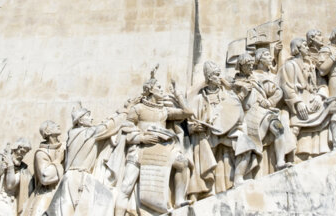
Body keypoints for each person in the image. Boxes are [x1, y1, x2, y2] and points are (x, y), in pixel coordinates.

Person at [115, 67, 192, 215]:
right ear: (150, 90)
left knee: (182, 163)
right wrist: (141, 138)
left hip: (161, 148)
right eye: (158, 88)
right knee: (126, 186)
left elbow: (188, 112)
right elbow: (126, 128)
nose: (162, 90)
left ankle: (179, 200)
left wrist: (178, 94)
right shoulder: (138, 109)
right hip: (140, 150)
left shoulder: (164, 111)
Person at [48, 104, 128, 216]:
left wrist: (117, 113)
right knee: (104, 199)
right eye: (88, 116)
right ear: (80, 120)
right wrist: (125, 112)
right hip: (77, 177)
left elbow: (104, 125)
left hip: (77, 177)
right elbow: (108, 127)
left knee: (105, 198)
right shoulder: (87, 133)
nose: (92, 118)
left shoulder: (74, 132)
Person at [279, 38, 336, 161]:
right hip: (299, 104)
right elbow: (286, 86)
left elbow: (322, 85)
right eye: (304, 45)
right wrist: (298, 102)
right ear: (297, 48)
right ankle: (288, 160)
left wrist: (320, 96)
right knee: (294, 128)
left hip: (313, 102)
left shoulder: (311, 66)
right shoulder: (289, 65)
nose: (307, 47)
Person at [232, 52, 294, 183]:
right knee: (248, 146)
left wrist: (270, 102)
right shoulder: (235, 83)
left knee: (279, 128)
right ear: (241, 66)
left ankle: (280, 161)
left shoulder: (256, 79)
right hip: (248, 116)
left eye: (251, 64)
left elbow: (278, 91)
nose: (250, 68)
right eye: (247, 65)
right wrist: (242, 93)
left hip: (263, 112)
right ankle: (239, 177)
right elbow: (231, 103)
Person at [187, 61, 244, 201]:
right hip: (206, 135)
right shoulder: (199, 98)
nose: (220, 78)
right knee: (199, 147)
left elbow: (237, 115)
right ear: (209, 77)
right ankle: (197, 191)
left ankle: (238, 177)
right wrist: (193, 128)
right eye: (217, 75)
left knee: (243, 140)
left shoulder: (228, 95)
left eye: (220, 75)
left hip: (225, 133)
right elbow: (188, 117)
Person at [0, 138, 32, 216]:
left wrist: (10, 165)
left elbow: (10, 184)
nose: (22, 156)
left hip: (12, 204)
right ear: (15, 149)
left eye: (25, 153)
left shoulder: (23, 170)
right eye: (21, 152)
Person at [26, 121, 64, 216]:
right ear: (47, 132)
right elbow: (45, 177)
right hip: (47, 193)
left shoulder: (64, 147)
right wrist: (58, 160)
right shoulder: (41, 153)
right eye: (53, 125)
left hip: (63, 190)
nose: (58, 125)